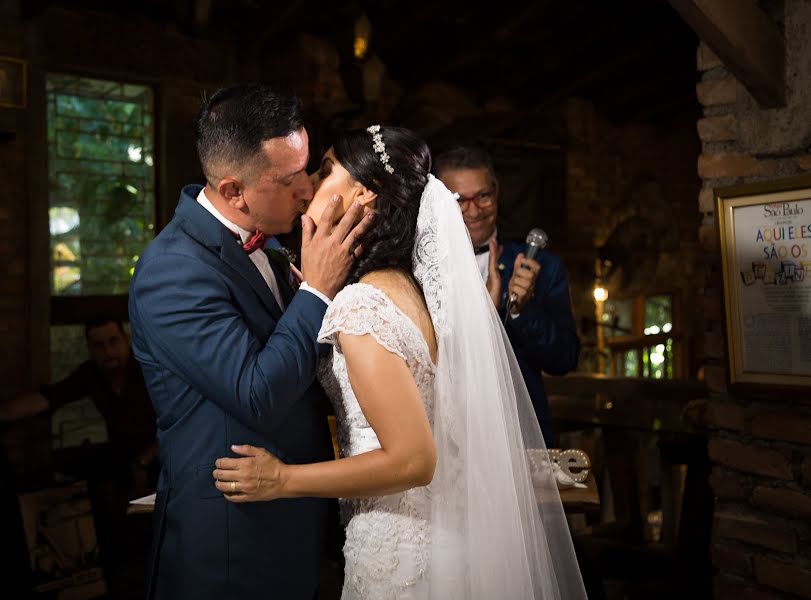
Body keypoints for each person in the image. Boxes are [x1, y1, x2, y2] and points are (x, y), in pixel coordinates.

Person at [212, 126, 587, 599]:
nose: (308, 187)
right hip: (439, 533)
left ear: (364, 198)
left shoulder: (362, 306)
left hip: (401, 551)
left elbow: (413, 458)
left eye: (326, 172)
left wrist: (282, 479)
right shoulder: (412, 288)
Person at [128, 84, 373, 600]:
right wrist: (318, 290)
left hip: (295, 517)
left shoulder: (276, 238)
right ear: (234, 190)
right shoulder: (172, 271)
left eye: (307, 168)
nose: (307, 190)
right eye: (289, 179)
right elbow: (256, 393)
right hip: (231, 541)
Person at [0, 315, 157, 597]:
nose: (107, 351)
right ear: (89, 349)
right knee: (76, 471)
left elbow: (179, 421)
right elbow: (49, 397)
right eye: (98, 346)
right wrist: (4, 414)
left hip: (163, 455)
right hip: (123, 457)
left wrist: (145, 460)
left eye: (112, 342)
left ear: (126, 341)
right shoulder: (92, 375)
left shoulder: (148, 369)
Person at [433, 146, 580, 447]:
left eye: (483, 196)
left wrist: (520, 312)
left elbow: (564, 359)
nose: (473, 211)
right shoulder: (418, 270)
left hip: (519, 439)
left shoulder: (540, 266)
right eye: (459, 200)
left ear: (496, 192)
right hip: (443, 441)